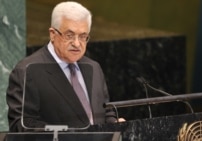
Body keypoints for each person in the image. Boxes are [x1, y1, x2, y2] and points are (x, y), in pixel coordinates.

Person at [6, 1, 124, 132]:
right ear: (52, 34)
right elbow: (21, 127)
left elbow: (105, 112)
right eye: (70, 35)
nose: (77, 43)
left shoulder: (94, 67)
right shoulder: (26, 71)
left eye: (83, 36)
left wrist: (114, 123)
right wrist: (66, 134)